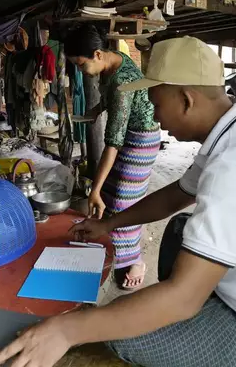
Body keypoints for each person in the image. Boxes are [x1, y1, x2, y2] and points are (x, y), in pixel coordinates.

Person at [0, 36, 236, 367]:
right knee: (179, 233)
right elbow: (178, 193)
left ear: (186, 100)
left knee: (121, 334)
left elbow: (183, 299)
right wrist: (108, 224)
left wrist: (65, 330)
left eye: (156, 102)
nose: (155, 115)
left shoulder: (235, 167)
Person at [64, 25, 160, 289]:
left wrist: (93, 189)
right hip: (127, 134)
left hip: (141, 140)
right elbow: (112, 101)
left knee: (121, 203)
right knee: (109, 193)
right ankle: (115, 250)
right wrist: (96, 109)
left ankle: (135, 260)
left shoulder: (121, 82)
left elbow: (112, 144)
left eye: (82, 65)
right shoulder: (114, 61)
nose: (82, 72)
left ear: (97, 54)